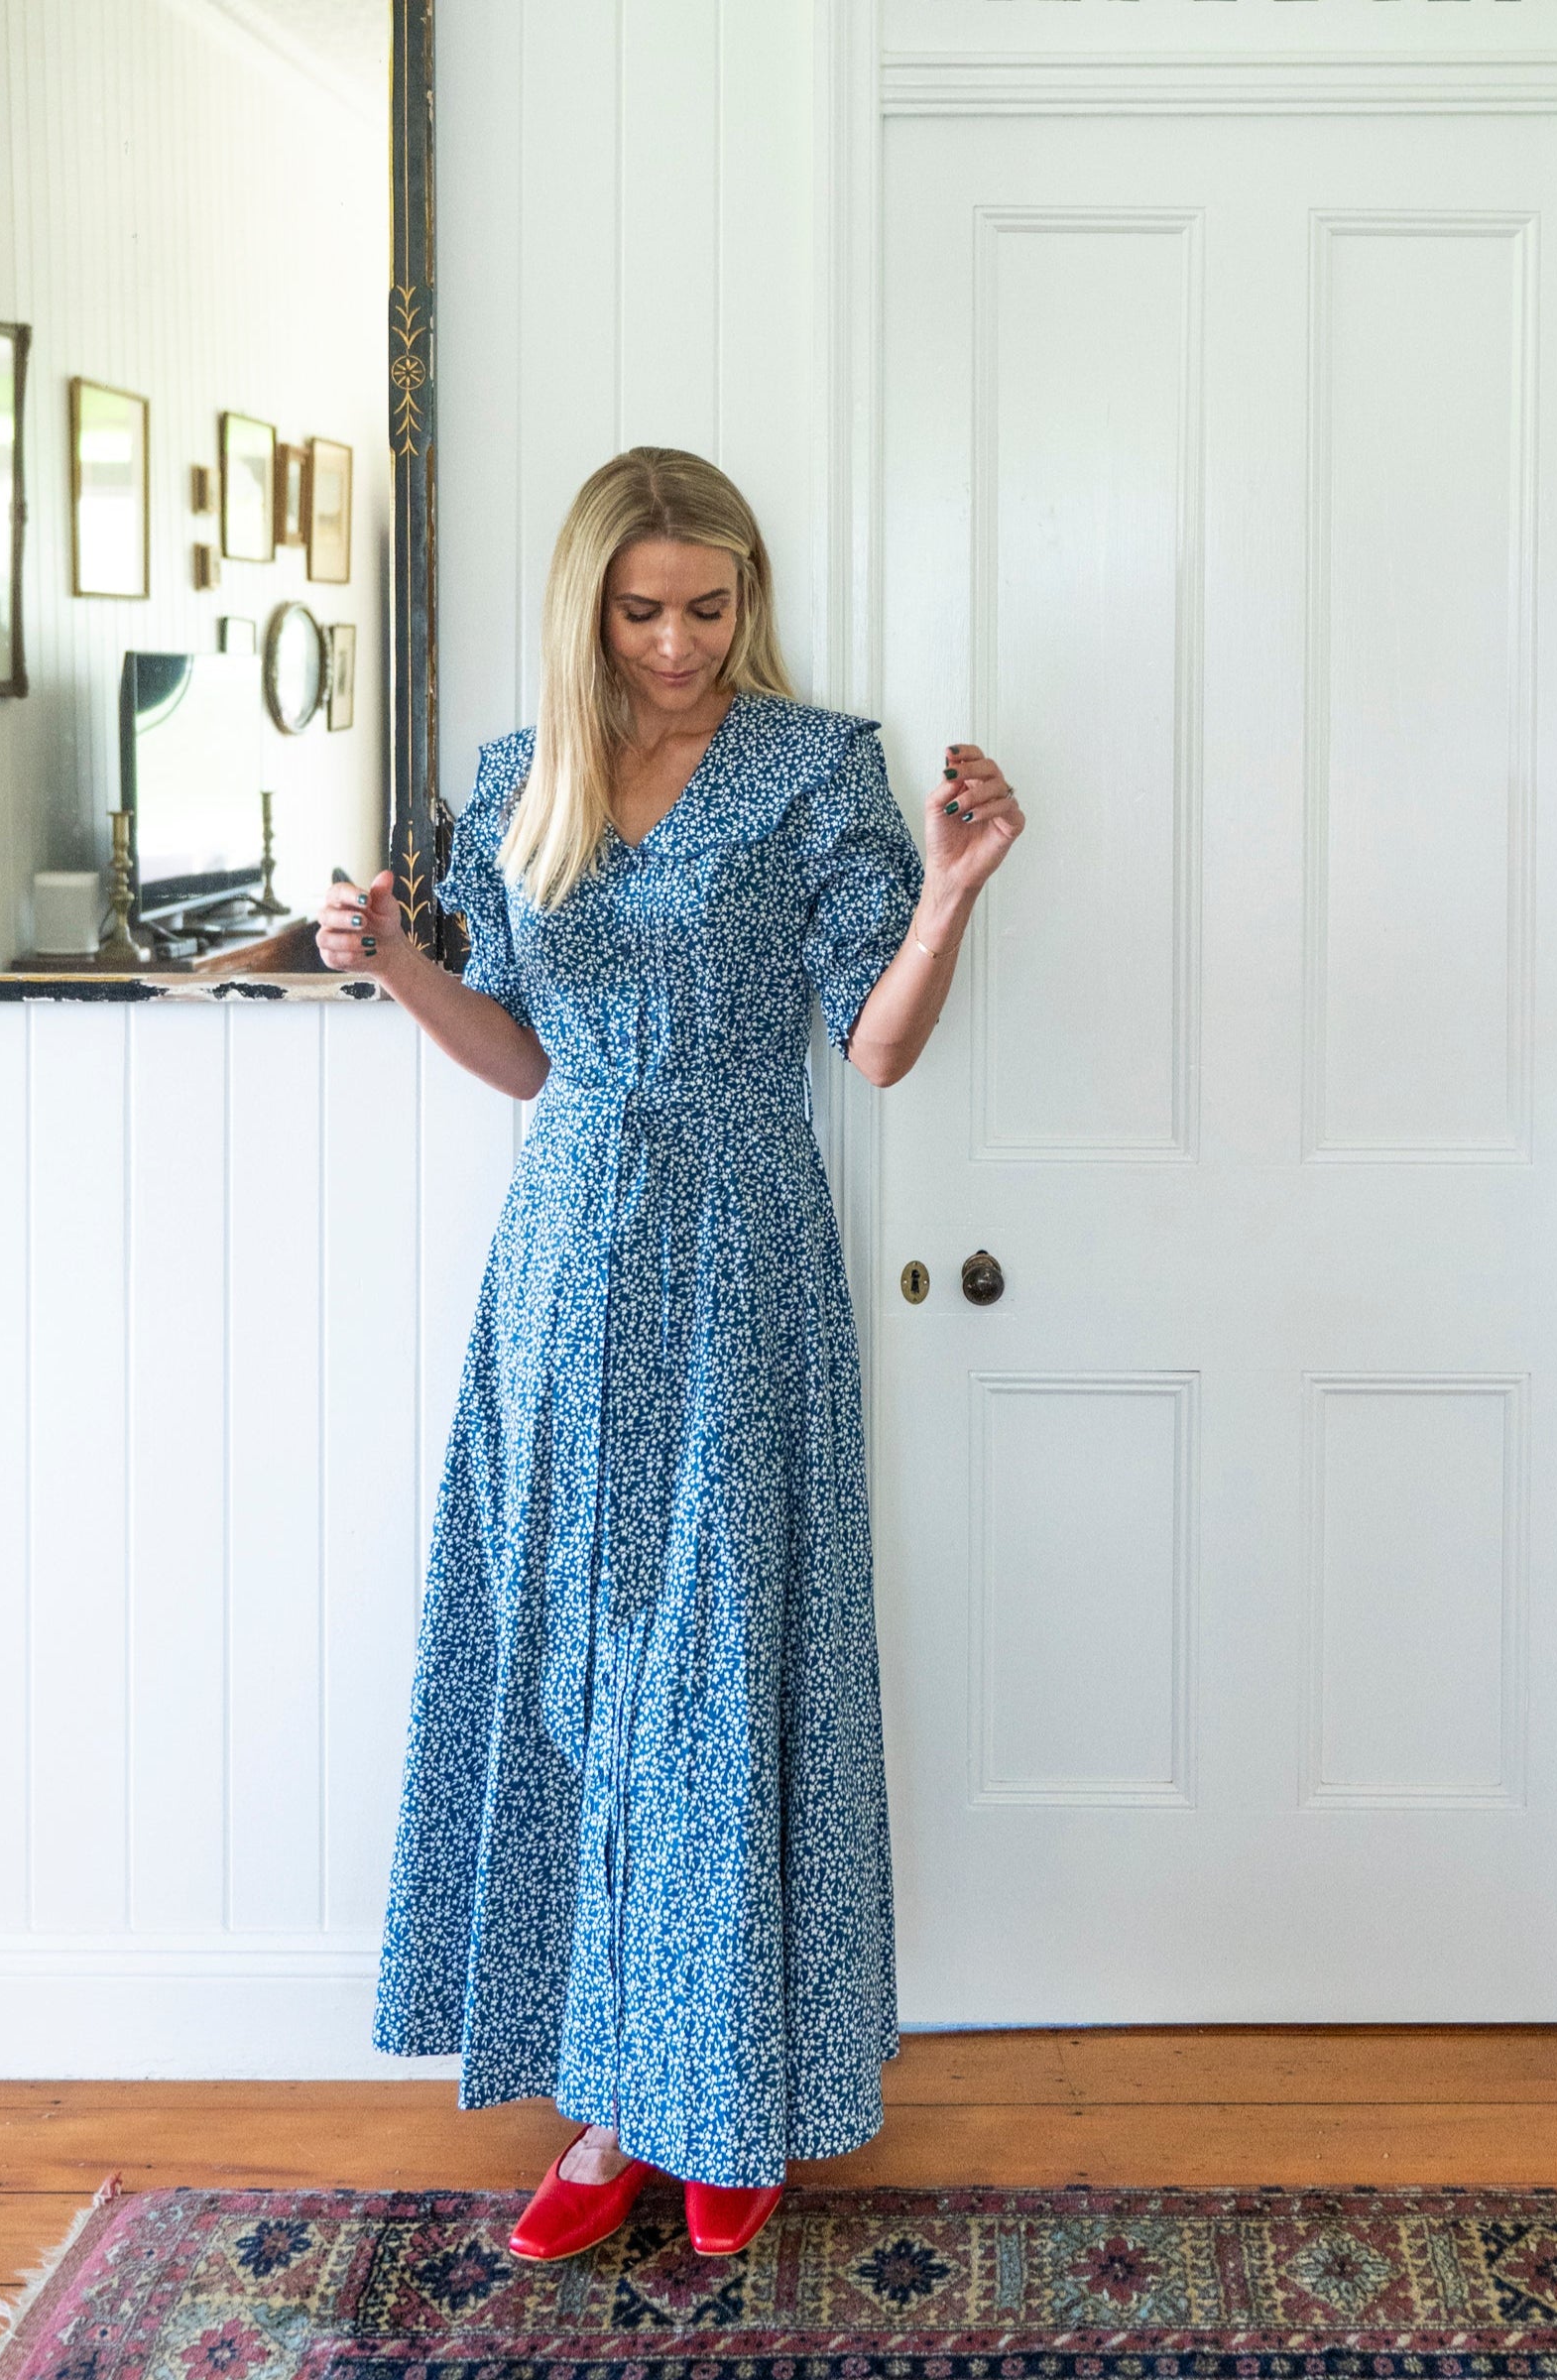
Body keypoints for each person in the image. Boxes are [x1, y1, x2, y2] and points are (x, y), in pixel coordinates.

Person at [319, 447, 1022, 2264]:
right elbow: (530, 1061)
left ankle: (728, 2105)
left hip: (742, 1260)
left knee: (717, 1678)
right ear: (588, 606)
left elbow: (871, 1052)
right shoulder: (518, 781)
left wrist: (947, 891)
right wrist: (399, 960)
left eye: (709, 608)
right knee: (570, 1680)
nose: (679, 644)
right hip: (563, 1269)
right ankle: (606, 2107)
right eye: (643, 611)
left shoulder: (810, 771)